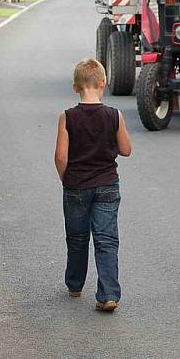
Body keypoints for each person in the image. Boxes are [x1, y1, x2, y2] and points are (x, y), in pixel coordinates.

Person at [54, 58, 132, 311]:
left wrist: (65, 178)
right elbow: (126, 150)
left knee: (77, 238)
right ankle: (109, 293)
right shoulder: (114, 115)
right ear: (103, 83)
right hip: (108, 185)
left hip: (76, 185)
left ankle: (75, 284)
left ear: (75, 86)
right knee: (106, 239)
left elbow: (60, 156)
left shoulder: (67, 118)